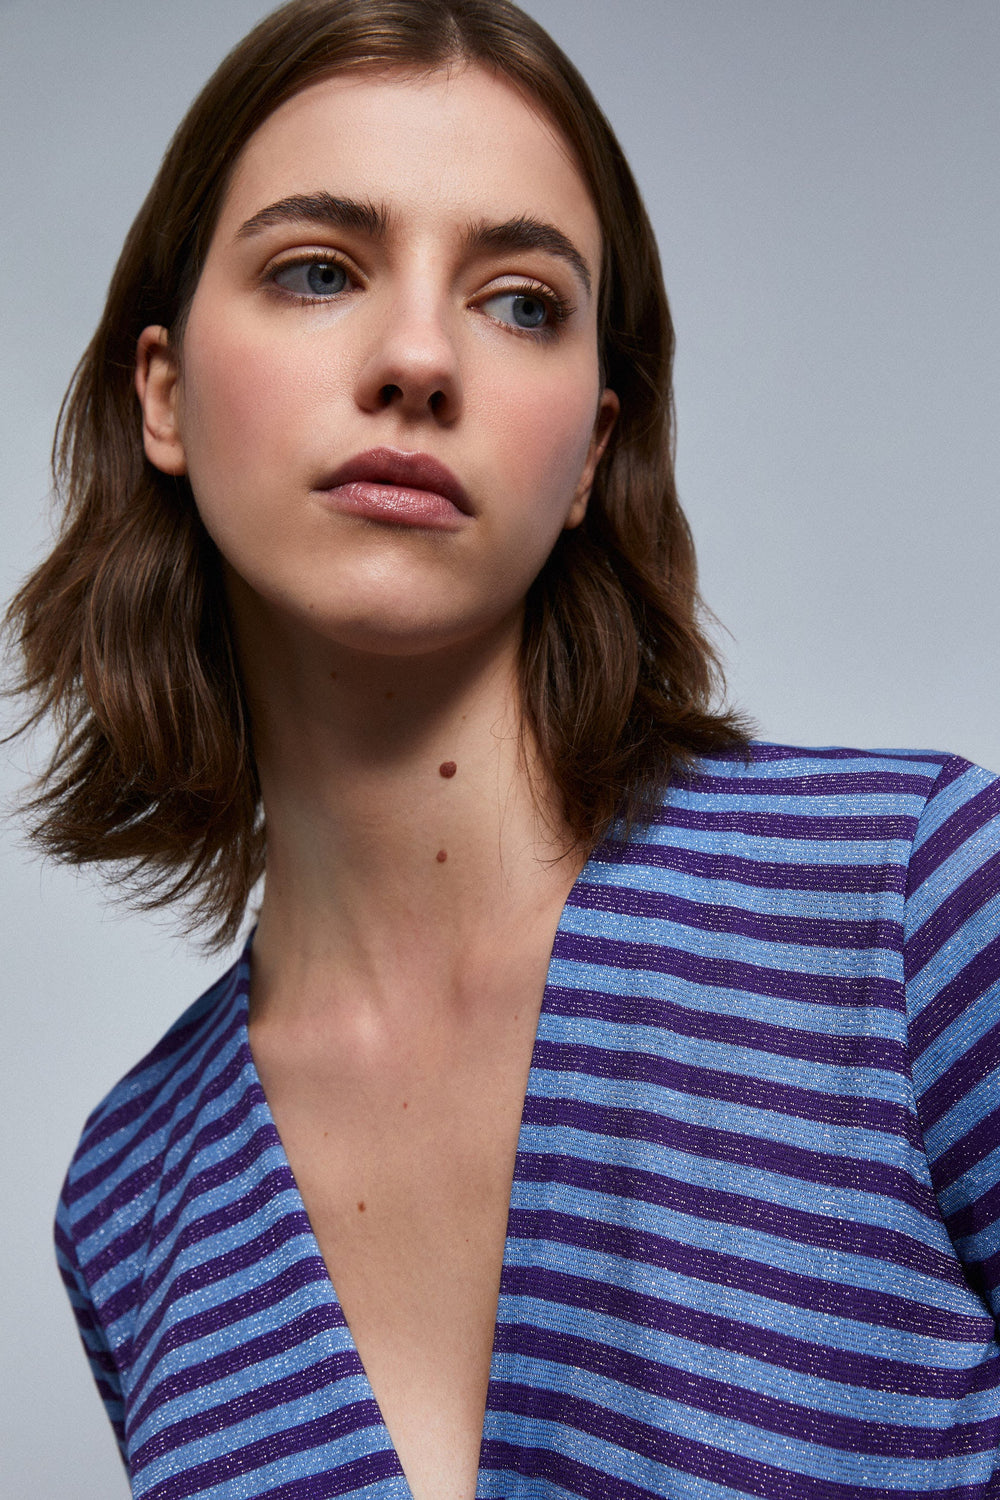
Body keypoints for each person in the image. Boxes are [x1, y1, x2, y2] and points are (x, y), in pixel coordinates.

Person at [6, 0, 999, 1496]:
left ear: (591, 448)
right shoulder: (133, 1192)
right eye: (319, 269)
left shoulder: (914, 912)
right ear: (164, 393)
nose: (418, 358)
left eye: (521, 301)